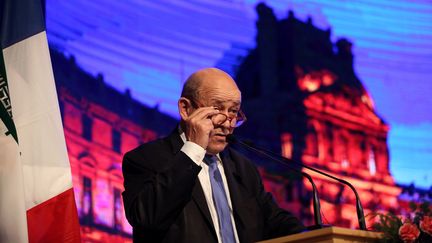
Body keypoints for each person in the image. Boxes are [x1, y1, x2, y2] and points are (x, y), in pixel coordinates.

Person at [122, 68, 305, 243]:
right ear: (186, 109)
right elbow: (147, 219)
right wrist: (193, 150)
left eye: (233, 111)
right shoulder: (144, 159)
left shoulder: (243, 168)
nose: (227, 124)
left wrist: (318, 235)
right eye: (217, 110)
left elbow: (275, 222)